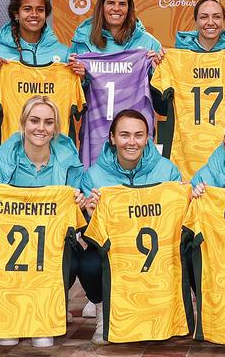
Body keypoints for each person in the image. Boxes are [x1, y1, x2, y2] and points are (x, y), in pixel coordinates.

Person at [0, 95, 87, 347]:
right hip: (9, 258)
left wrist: (79, 199)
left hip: (49, 254)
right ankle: (1, 310)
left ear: (55, 128)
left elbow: (79, 212)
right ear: (23, 123)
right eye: (34, 120)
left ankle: (49, 309)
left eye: (48, 122)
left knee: (43, 340)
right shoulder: (2, 160)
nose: (40, 128)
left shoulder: (68, 163)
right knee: (6, 341)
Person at [77, 109, 182, 344]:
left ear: (148, 138)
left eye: (138, 135)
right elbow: (89, 232)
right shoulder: (93, 176)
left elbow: (179, 217)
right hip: (116, 250)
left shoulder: (167, 171)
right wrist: (91, 214)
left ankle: (168, 314)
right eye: (124, 135)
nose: (131, 142)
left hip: (157, 252)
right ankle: (104, 311)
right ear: (112, 138)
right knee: (89, 263)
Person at [0, 0, 85, 75]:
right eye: (27, 9)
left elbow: (75, 92)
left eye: (40, 10)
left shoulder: (64, 53)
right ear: (16, 14)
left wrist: (81, 78)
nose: (34, 14)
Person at [69, 0, 163, 61]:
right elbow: (72, 81)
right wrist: (80, 77)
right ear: (102, 7)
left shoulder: (149, 42)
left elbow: (161, 81)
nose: (116, 8)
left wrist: (155, 69)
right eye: (111, 3)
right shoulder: (83, 39)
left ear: (129, 8)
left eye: (122, 4)